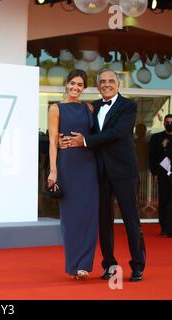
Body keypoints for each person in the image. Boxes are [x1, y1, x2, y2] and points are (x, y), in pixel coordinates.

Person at [62, 68, 146, 282]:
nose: (106, 84)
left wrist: (86, 141)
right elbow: (81, 129)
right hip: (97, 172)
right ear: (98, 86)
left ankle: (137, 265)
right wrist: (66, 141)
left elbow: (117, 133)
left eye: (111, 81)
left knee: (131, 219)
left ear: (118, 84)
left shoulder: (129, 106)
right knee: (104, 221)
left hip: (124, 172)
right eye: (102, 81)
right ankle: (109, 263)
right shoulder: (93, 107)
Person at [47, 69, 98, 280]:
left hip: (88, 165)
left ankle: (84, 265)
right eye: (73, 84)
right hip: (67, 164)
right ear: (66, 84)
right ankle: (73, 265)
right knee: (70, 218)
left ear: (84, 88)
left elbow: (95, 137)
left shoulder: (89, 108)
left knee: (89, 215)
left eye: (80, 85)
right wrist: (53, 170)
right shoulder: (55, 108)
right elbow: (52, 142)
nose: (76, 88)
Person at [149, 114, 172, 236]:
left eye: (171, 122)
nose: (169, 124)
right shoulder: (156, 138)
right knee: (164, 200)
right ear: (163, 123)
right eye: (167, 122)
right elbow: (152, 156)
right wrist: (154, 173)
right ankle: (165, 228)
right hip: (163, 174)